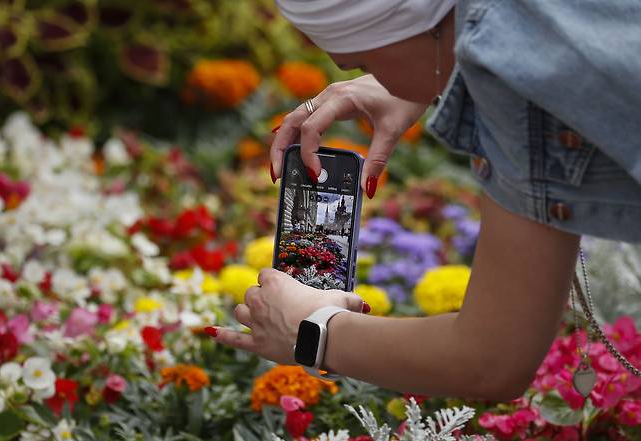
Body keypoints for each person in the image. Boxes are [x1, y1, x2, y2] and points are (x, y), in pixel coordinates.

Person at [205, 0, 641, 400]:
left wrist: (313, 331)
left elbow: (488, 361)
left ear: (414, 28)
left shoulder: (518, 82)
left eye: (361, 61)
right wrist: (427, 70)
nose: (369, 78)